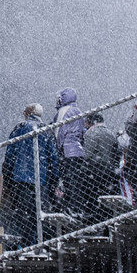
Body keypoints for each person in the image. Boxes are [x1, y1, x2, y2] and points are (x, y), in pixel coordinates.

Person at [1, 104, 59, 245]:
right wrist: (53, 181)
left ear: (28, 113)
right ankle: (43, 246)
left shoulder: (19, 129)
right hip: (42, 181)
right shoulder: (47, 131)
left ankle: (27, 247)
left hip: (21, 180)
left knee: (24, 218)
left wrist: (8, 178)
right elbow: (53, 159)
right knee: (40, 216)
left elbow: (10, 156)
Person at [53, 88, 87, 217]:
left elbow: (59, 132)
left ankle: (71, 208)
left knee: (68, 180)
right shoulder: (78, 111)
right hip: (77, 150)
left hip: (66, 151)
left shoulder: (63, 111)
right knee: (76, 181)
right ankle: (79, 208)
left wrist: (57, 147)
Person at [82, 113, 121, 202]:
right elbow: (116, 153)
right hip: (111, 170)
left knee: (95, 197)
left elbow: (87, 154)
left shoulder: (91, 133)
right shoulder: (110, 133)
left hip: (96, 170)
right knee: (109, 197)